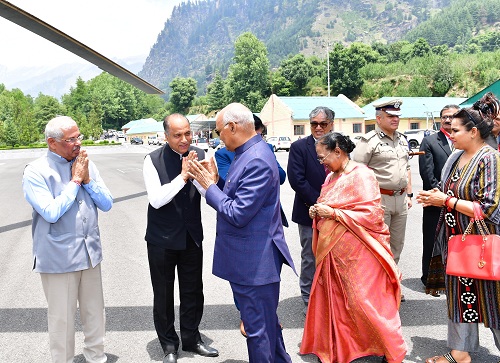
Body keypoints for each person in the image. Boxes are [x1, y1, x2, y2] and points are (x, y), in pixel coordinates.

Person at [188, 103, 296, 363]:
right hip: (252, 258)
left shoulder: (256, 157)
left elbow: (238, 213)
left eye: (218, 132)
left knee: (258, 331)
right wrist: (216, 182)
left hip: (255, 263)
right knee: (267, 326)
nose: (218, 137)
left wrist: (208, 186)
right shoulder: (249, 151)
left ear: (233, 127)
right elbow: (239, 195)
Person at [299, 132, 407, 363]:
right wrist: (316, 212)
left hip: (359, 252)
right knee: (338, 302)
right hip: (334, 254)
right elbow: (326, 204)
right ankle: (345, 348)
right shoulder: (330, 178)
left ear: (338, 151)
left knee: (364, 302)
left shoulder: (362, 175)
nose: (322, 163)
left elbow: (372, 214)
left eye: (323, 157)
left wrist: (334, 213)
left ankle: (390, 349)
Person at [22, 116, 113, 363]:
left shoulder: (86, 165)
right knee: (61, 320)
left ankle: (97, 357)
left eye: (78, 137)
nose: (77, 143)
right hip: (58, 257)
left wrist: (87, 180)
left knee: (95, 314)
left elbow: (107, 204)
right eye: (70, 139)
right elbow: (50, 212)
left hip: (90, 253)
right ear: (52, 143)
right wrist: (74, 182)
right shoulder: (36, 172)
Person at [416, 104, 500, 363]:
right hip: (456, 242)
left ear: (473, 131)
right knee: (460, 298)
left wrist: (447, 202)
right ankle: (459, 352)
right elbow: (447, 191)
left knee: (494, 299)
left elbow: (489, 207)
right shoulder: (455, 156)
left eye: (455, 130)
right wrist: (434, 197)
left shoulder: (490, 158)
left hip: (483, 244)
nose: (449, 134)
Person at [142, 114, 218, 363]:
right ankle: (169, 345)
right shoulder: (152, 160)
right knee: (163, 293)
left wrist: (207, 177)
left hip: (191, 236)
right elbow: (157, 199)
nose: (185, 139)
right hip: (161, 239)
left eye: (187, 133)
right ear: (166, 136)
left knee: (193, 291)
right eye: (177, 135)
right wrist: (183, 176)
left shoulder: (199, 153)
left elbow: (208, 192)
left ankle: (192, 339)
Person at [352, 99, 413, 268]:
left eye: (397, 116)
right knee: (379, 244)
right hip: (379, 199)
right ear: (378, 119)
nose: (395, 119)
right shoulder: (368, 141)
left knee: (397, 245)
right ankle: (379, 288)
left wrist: (409, 194)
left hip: (400, 199)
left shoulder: (401, 139)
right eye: (390, 116)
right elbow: (356, 172)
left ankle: (393, 284)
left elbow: (406, 167)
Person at [288, 106, 334, 313]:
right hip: (310, 211)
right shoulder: (299, 147)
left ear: (331, 124)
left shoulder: (339, 146)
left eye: (322, 124)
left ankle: (332, 297)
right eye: (314, 123)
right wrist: (319, 203)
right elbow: (297, 180)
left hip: (336, 213)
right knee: (310, 256)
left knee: (335, 256)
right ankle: (309, 298)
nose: (318, 128)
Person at [418, 104, 459, 288]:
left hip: (457, 202)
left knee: (454, 240)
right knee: (431, 238)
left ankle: (452, 275)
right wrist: (440, 195)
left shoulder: (464, 142)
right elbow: (427, 173)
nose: (448, 120)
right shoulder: (430, 141)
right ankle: (429, 277)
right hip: (435, 200)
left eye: (452, 116)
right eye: (445, 117)